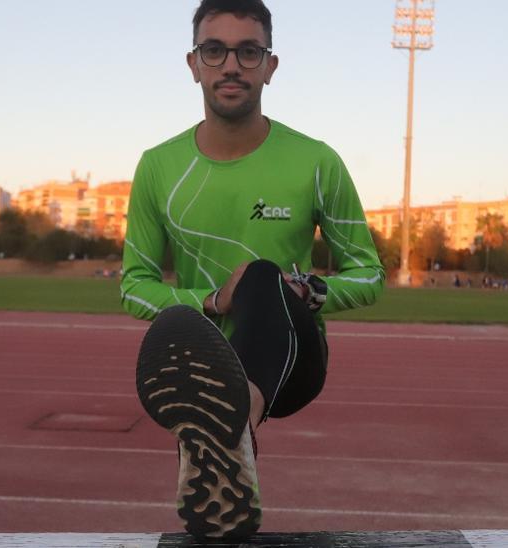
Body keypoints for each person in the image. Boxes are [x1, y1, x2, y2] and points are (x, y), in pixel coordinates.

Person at [119, 0, 383, 538]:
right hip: (202, 365)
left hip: (295, 360)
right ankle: (226, 440)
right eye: (215, 50)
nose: (231, 66)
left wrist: (303, 292)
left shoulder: (317, 162)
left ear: (270, 66)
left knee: (262, 275)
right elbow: (134, 287)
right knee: (189, 320)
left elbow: (369, 273)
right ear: (193, 64)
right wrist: (214, 301)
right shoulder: (158, 166)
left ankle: (233, 418)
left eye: (249, 52)